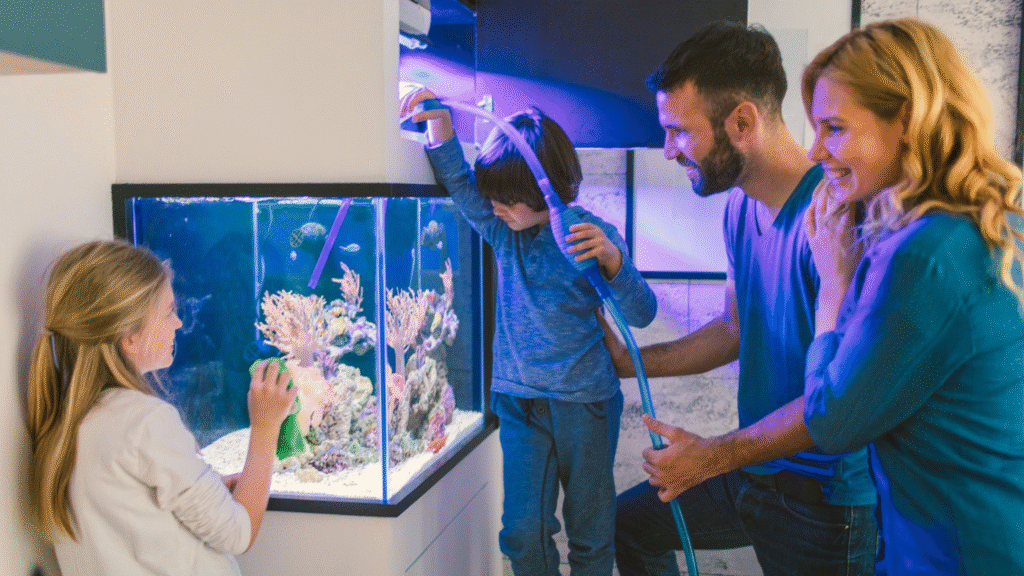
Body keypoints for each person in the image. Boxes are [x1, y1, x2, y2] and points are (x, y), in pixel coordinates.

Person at [607, 21, 877, 575]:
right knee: (627, 524)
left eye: (680, 131)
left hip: (824, 502)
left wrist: (710, 455)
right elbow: (734, 327)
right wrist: (628, 363)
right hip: (754, 470)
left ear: (743, 121)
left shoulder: (835, 221)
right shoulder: (739, 208)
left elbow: (839, 402)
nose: (668, 150)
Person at [400, 88, 658, 575]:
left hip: (585, 405)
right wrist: (435, 116)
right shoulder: (504, 228)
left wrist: (611, 259)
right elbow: (458, 181)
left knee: (591, 535)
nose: (494, 207)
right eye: (492, 197)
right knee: (522, 533)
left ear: (545, 193)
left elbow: (642, 312)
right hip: (519, 402)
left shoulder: (588, 236)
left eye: (507, 200)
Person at [801, 18, 1024, 573]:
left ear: (906, 118)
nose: (815, 151)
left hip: (953, 550)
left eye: (833, 127)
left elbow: (832, 421)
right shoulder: (999, 218)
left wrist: (833, 282)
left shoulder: (922, 254)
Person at [27, 240, 298, 575]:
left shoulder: (66, 417)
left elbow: (135, 512)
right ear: (130, 336)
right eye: (168, 311)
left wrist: (207, 487)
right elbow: (238, 534)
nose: (179, 324)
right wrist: (267, 425)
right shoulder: (144, 420)